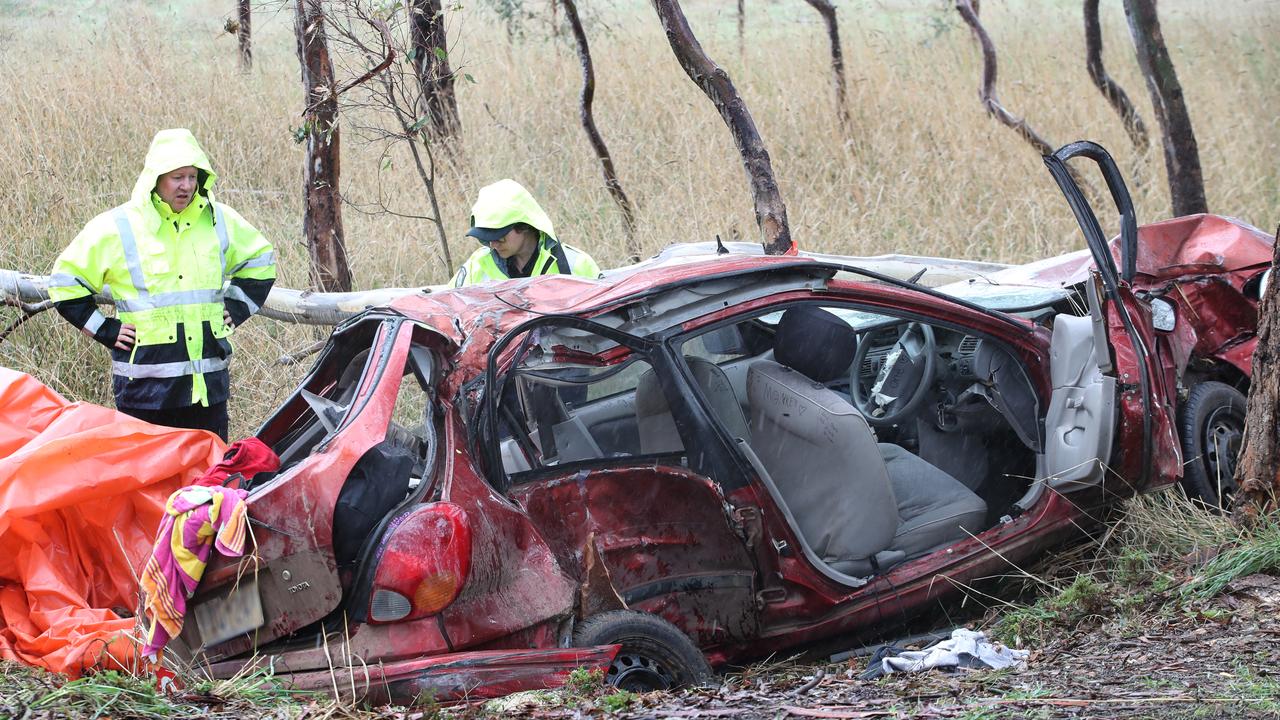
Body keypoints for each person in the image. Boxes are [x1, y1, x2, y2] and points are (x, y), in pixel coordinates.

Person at [47, 128, 276, 441]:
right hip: (145, 392)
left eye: (192, 176)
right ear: (156, 178)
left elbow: (261, 259)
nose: (186, 186)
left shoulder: (218, 219)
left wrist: (236, 307)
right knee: (148, 483)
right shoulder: (118, 226)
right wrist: (105, 329)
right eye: (177, 177)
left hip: (207, 389)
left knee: (208, 483)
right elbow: (64, 282)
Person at [451, 179, 601, 287]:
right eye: (486, 237)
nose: (493, 244)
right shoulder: (475, 266)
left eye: (499, 236)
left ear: (524, 226)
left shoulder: (576, 266)